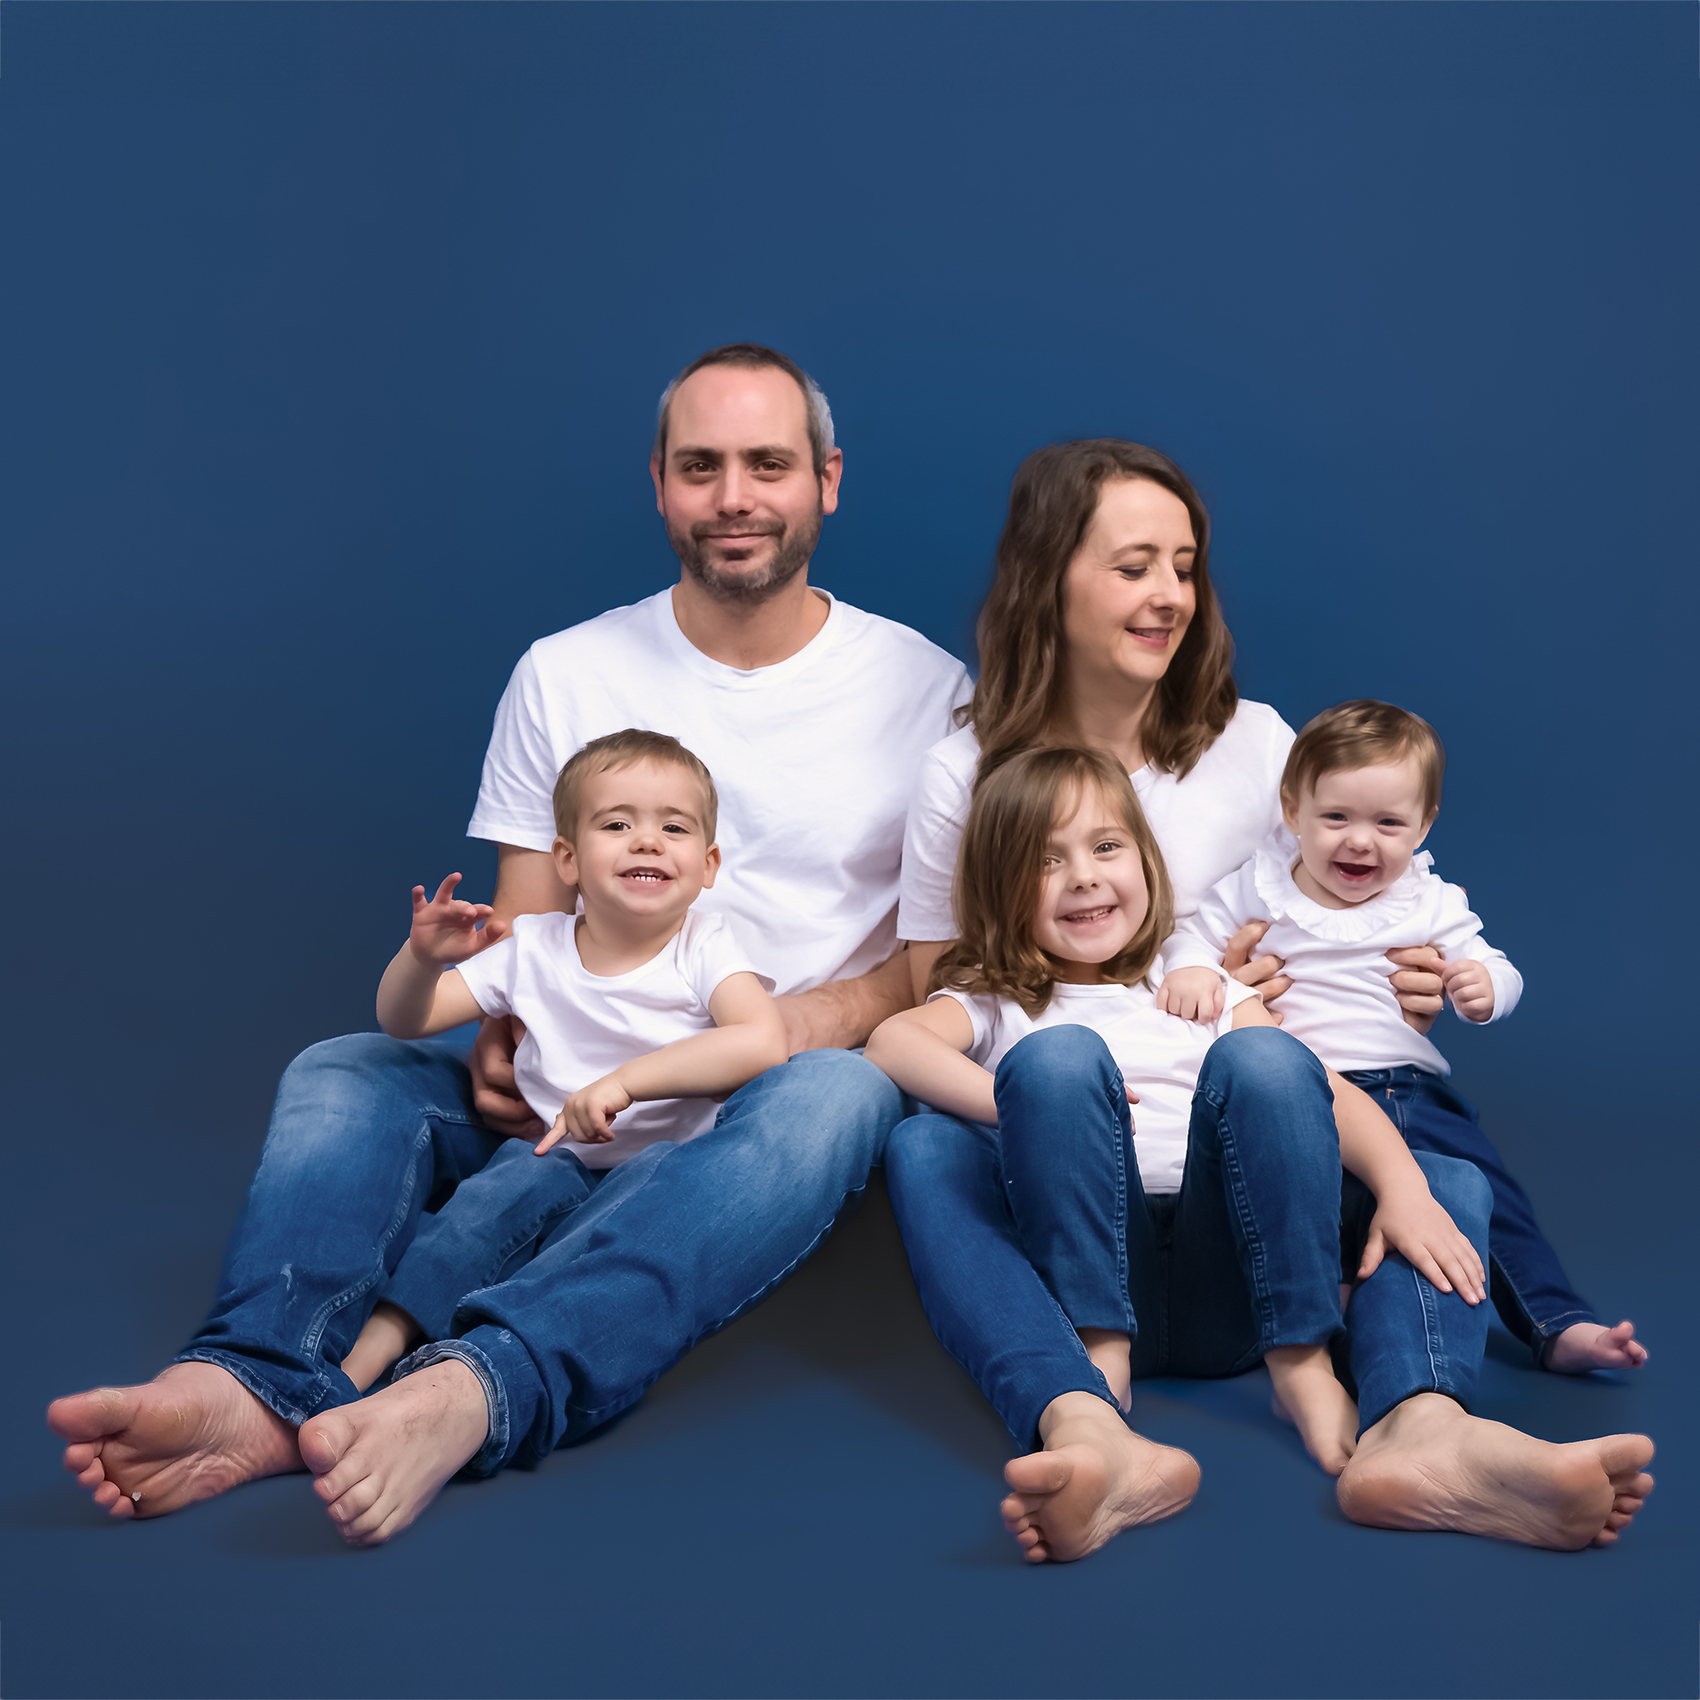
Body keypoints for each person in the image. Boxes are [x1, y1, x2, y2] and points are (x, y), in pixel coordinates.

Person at [48, 342, 970, 1545]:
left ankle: (476, 1388)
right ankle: (254, 1377)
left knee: (841, 1094)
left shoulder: (924, 687)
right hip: (573, 1077)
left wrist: (787, 1027)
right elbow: (528, 924)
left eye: (766, 464)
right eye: (701, 466)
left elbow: (931, 971)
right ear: (658, 482)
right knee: (342, 1064)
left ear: (826, 479)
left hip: (768, 1092)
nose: (734, 496)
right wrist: (504, 1018)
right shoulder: (567, 670)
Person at [883, 438, 1651, 1561]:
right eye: (1133, 563)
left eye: (1182, 566)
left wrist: (1396, 986)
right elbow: (934, 992)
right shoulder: (970, 767)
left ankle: (1419, 1426)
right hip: (1074, 1158)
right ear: (1048, 574)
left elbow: (1349, 914)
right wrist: (1054, 1083)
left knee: (1428, 1172)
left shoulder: (1255, 743)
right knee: (921, 1149)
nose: (1167, 596)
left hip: (1250, 1157)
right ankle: (1087, 1422)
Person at [1157, 698, 1646, 1374]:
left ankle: (1555, 1321)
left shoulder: (1429, 900)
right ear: (1293, 811)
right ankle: (1332, 1315)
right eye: (1337, 818)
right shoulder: (1260, 886)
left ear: (1423, 827)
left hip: (1403, 1087)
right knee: (1298, 1199)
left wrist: (1482, 988)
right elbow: (1194, 935)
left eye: (1389, 823)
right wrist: (1188, 969)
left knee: (1481, 1191)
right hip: (1298, 1094)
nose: (1362, 841)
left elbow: (1495, 965)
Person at [339, 729, 788, 1393]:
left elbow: (762, 1040)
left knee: (599, 1255)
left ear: (709, 864)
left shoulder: (704, 946)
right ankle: (368, 1357)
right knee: (476, 1215)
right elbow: (407, 1021)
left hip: (665, 1170)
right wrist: (422, 960)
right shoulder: (533, 947)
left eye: (674, 827)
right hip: (551, 1151)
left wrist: (626, 1082)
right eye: (617, 824)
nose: (648, 841)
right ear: (568, 859)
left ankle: (464, 1375)